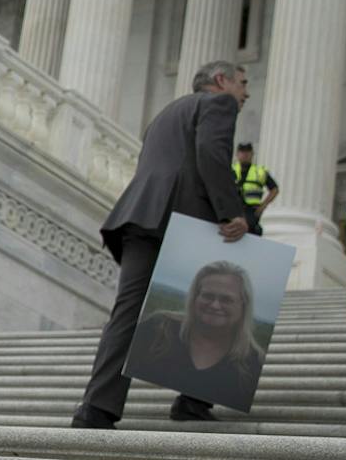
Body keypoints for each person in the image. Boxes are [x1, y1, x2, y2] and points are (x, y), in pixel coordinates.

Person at [72, 61, 249, 430]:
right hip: (184, 220)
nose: (245, 93)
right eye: (242, 84)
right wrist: (232, 213)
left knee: (128, 311)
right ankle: (194, 400)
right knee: (219, 302)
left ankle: (97, 407)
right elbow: (211, 156)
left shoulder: (166, 113)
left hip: (141, 216)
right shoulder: (220, 105)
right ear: (221, 81)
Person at [125, 261, 265, 411]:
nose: (215, 305)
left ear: (243, 306)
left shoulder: (253, 362)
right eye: (208, 296)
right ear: (194, 297)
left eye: (226, 299)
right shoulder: (157, 328)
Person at [232, 142, 276, 235]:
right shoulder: (231, 169)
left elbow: (274, 189)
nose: (245, 155)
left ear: (252, 154)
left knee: (250, 230)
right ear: (237, 154)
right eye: (242, 152)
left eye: (247, 152)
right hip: (233, 208)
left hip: (251, 211)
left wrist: (263, 206)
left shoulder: (260, 172)